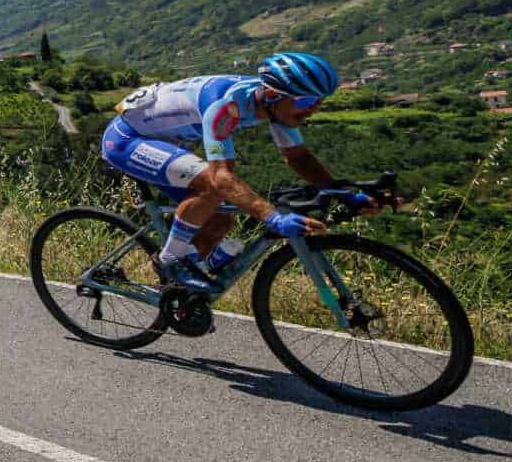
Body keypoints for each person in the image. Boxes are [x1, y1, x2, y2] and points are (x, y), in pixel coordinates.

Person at [99, 51, 361, 293]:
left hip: (166, 141)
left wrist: (343, 192)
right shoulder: (226, 105)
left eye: (319, 101)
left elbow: (298, 156)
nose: (313, 109)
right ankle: (169, 261)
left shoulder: (276, 105)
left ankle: (176, 294)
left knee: (220, 221)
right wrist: (273, 218)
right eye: (306, 101)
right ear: (272, 94)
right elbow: (221, 178)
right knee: (213, 186)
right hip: (126, 140)